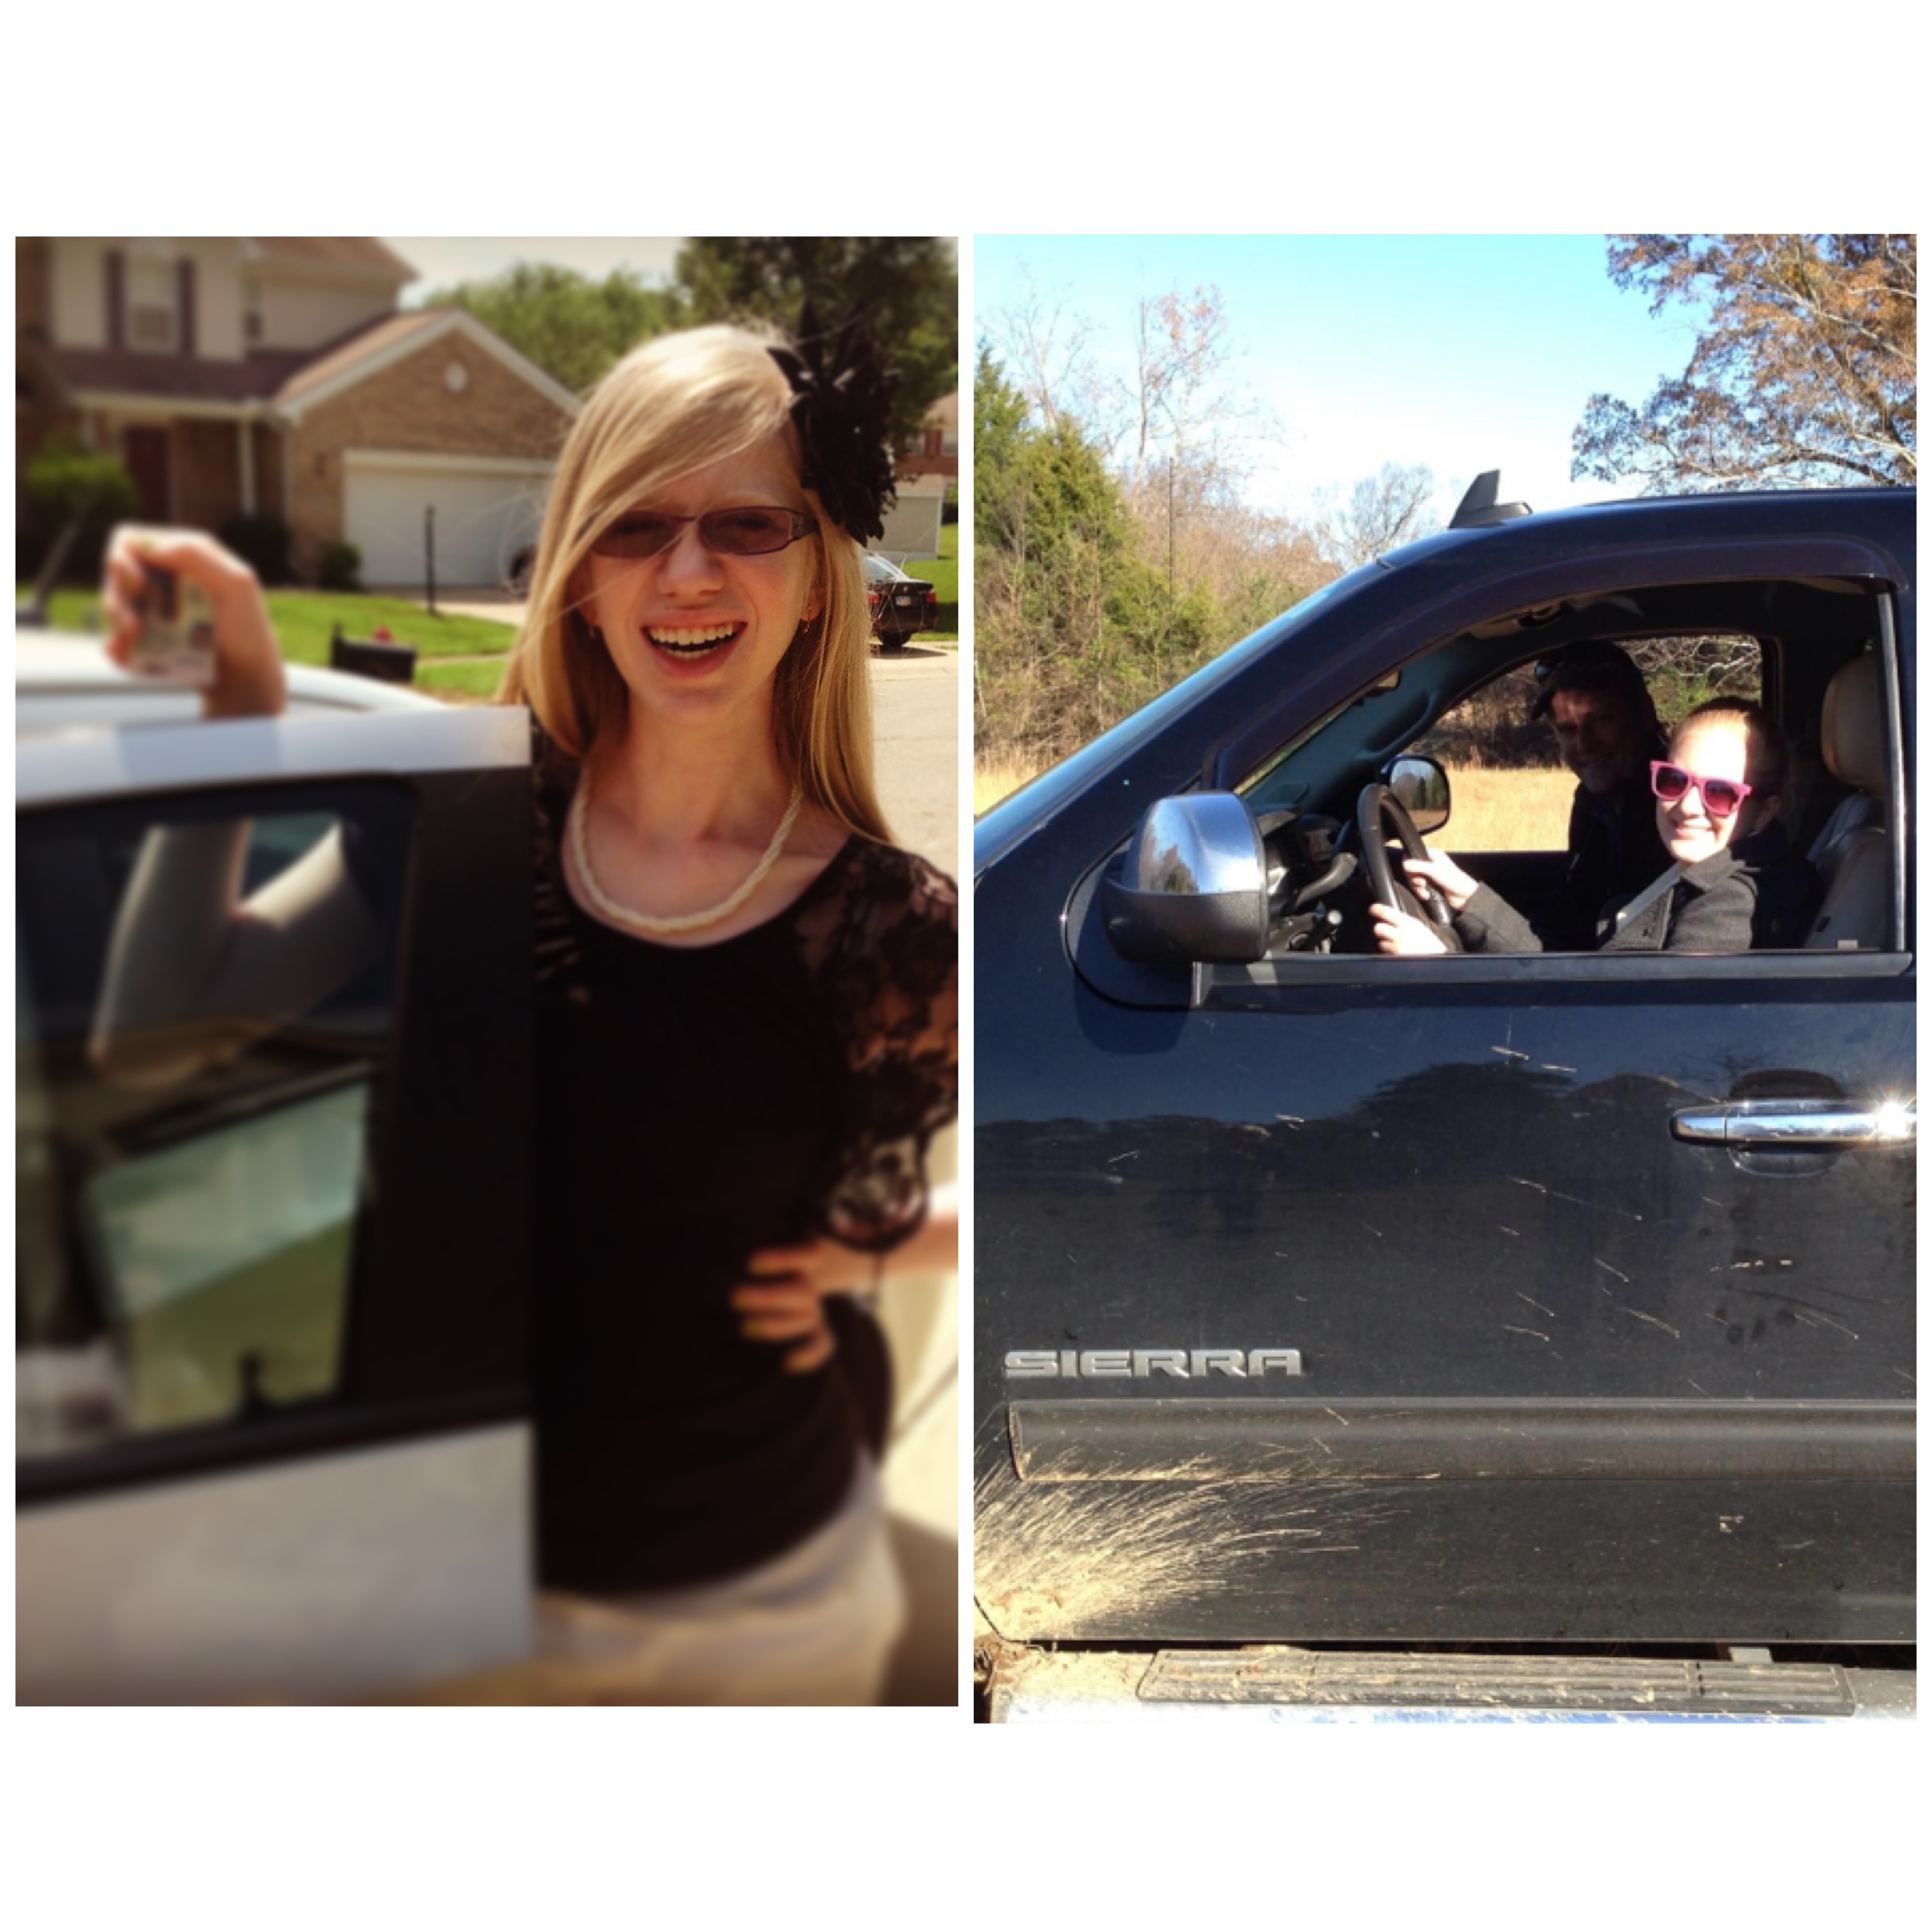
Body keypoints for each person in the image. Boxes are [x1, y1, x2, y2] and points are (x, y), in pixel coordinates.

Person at [96, 315, 958, 1705]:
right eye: (633, 527)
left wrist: (888, 1252)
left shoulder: (894, 927)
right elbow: (156, 1031)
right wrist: (239, 715)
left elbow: (1072, 1159)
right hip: (463, 1615)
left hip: (771, 1621)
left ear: (816, 577)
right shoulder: (466, 820)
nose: (685, 571)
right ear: (578, 581)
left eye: (747, 523)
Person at [1372, 699, 1818, 956]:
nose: (1687, 805)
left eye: (1719, 792)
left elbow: (1642, 1027)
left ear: (1763, 811)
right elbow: (1572, 971)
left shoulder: (1731, 901)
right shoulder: (1699, 870)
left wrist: (1443, 968)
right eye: (1674, 780)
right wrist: (1469, 898)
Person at [1525, 641, 1672, 949]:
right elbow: (1571, 911)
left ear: (1644, 715)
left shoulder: (1677, 805)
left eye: (1602, 721)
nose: (1585, 744)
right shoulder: (1593, 801)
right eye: (1567, 730)